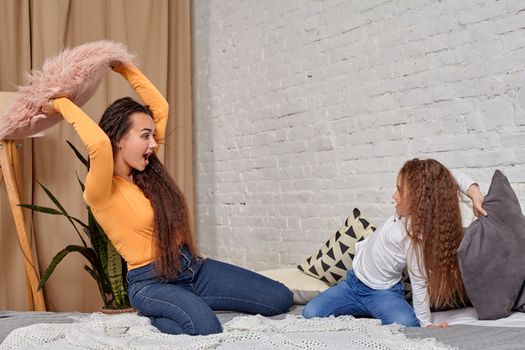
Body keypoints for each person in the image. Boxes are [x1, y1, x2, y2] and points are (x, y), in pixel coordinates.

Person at [42, 61, 293, 336]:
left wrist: (125, 68)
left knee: (279, 298)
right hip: (151, 283)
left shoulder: (145, 172)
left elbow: (161, 108)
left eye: (152, 135)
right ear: (119, 140)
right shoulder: (100, 189)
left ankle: (188, 303)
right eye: (145, 136)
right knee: (206, 328)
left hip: (192, 268)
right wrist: (60, 104)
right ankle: (160, 313)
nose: (153, 144)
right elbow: (98, 145)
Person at [302, 158, 486, 328]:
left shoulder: (415, 237)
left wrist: (427, 324)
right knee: (310, 313)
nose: (394, 195)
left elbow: (419, 281)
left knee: (408, 326)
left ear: (419, 199)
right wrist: (474, 192)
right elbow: (447, 178)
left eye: (399, 190)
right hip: (353, 283)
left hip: (383, 293)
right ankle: (368, 310)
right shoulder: (407, 211)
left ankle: (377, 309)